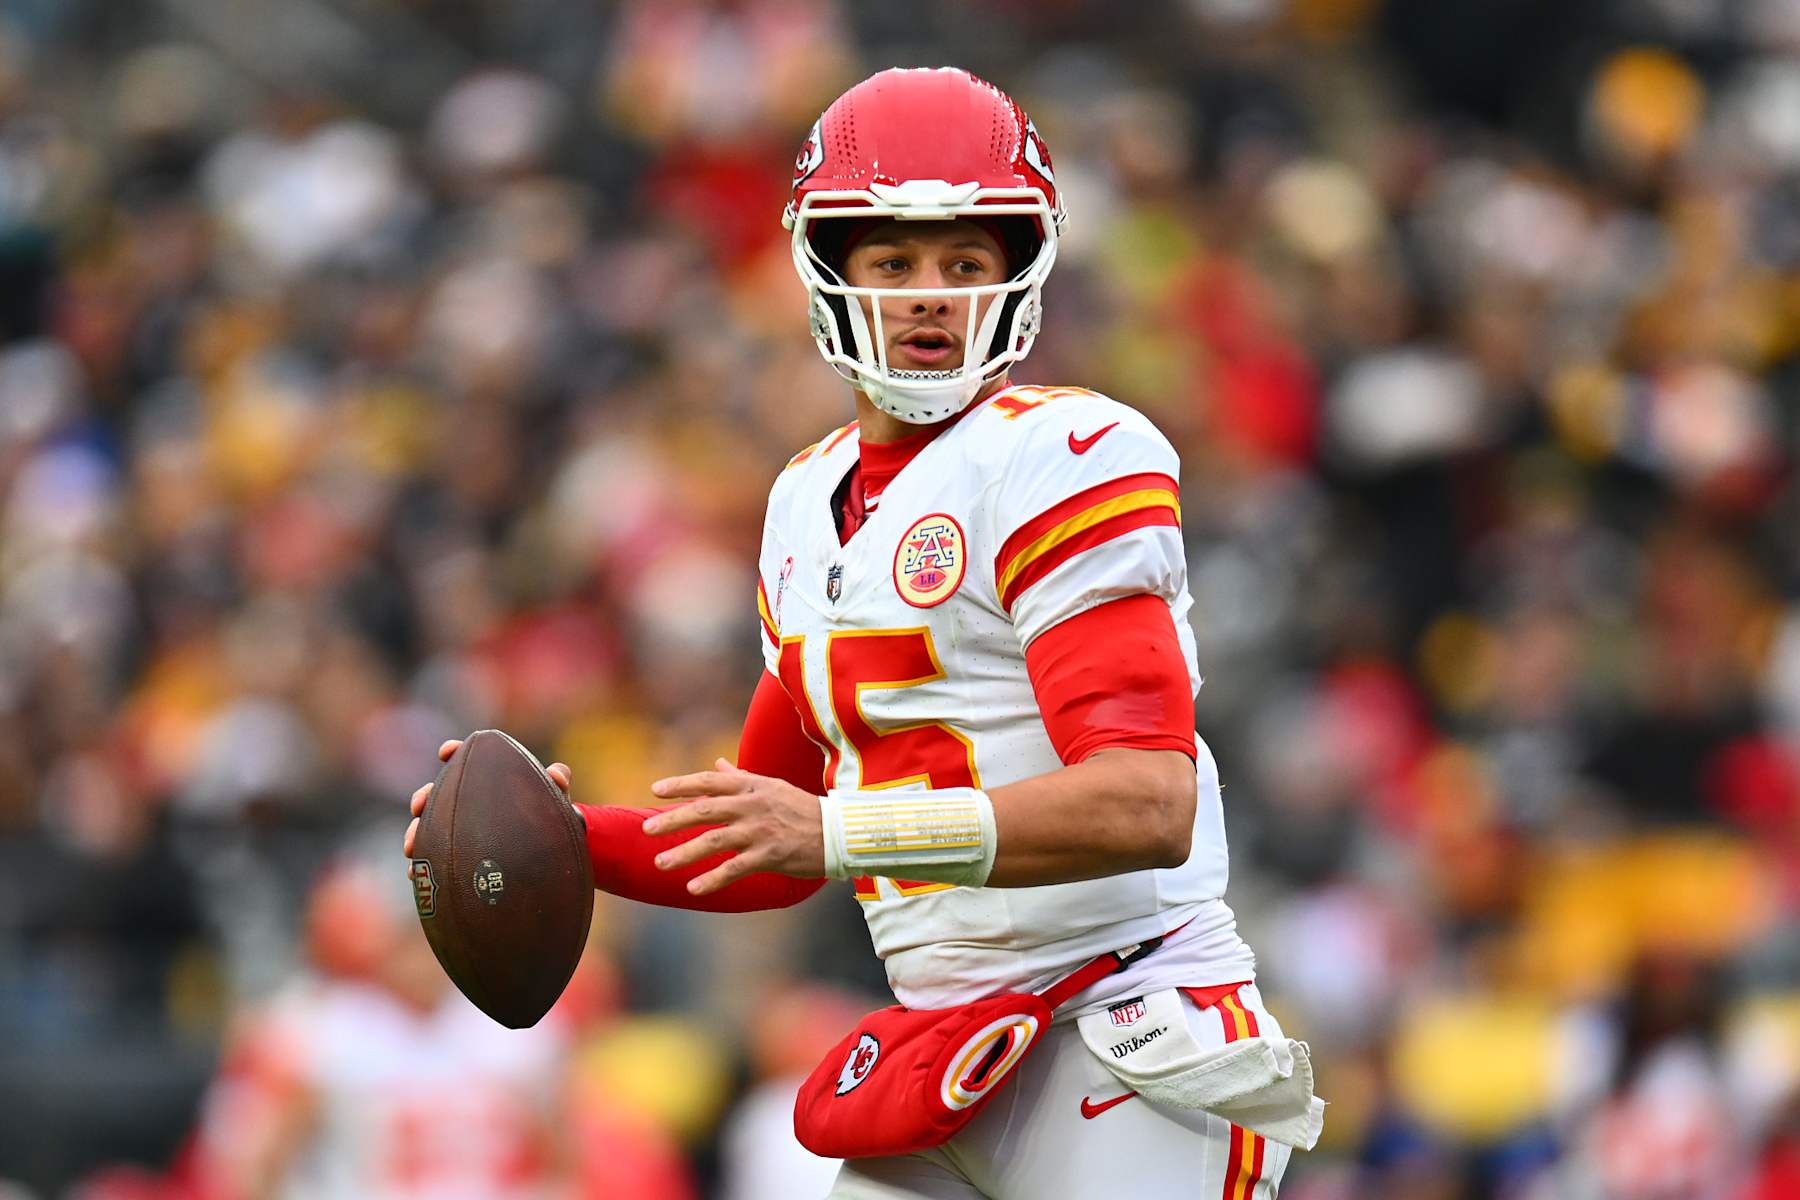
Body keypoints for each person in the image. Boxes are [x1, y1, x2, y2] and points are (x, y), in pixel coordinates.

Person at [407, 66, 1319, 1198]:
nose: (930, 293)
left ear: (1019, 273)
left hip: (1125, 1039)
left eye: (965, 262)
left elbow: (1145, 802)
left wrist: (842, 835)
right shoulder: (806, 502)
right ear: (829, 273)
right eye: (894, 261)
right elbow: (764, 844)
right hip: (952, 1053)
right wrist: (553, 838)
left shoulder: (1064, 455)